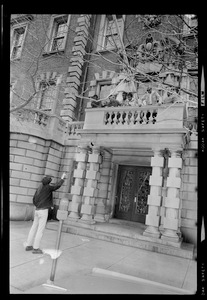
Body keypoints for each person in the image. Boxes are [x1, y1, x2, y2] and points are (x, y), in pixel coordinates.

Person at [25, 173, 66, 254]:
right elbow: (57, 186)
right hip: (43, 211)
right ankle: (36, 248)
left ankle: (29, 245)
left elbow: (34, 199)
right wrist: (62, 178)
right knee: (40, 230)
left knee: (33, 228)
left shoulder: (39, 188)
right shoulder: (48, 187)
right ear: (48, 182)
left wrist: (38, 206)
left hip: (37, 210)